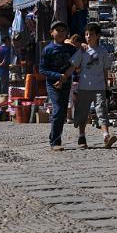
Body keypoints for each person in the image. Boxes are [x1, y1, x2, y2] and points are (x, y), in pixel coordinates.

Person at [62, 22, 117, 149]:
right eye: (86, 34)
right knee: (82, 112)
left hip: (99, 88)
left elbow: (105, 70)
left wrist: (106, 85)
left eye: (91, 34)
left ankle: (106, 136)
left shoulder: (103, 52)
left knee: (102, 111)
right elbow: (73, 65)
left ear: (97, 36)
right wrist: (64, 77)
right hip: (84, 87)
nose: (88, 37)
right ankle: (82, 136)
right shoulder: (82, 51)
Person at [39, 21, 78, 151]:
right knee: (58, 109)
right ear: (52, 33)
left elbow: (79, 56)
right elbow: (42, 69)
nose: (60, 33)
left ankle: (55, 138)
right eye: (58, 30)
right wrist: (57, 76)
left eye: (63, 30)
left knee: (62, 112)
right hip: (52, 84)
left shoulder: (70, 48)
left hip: (66, 83)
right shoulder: (48, 49)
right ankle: (55, 141)